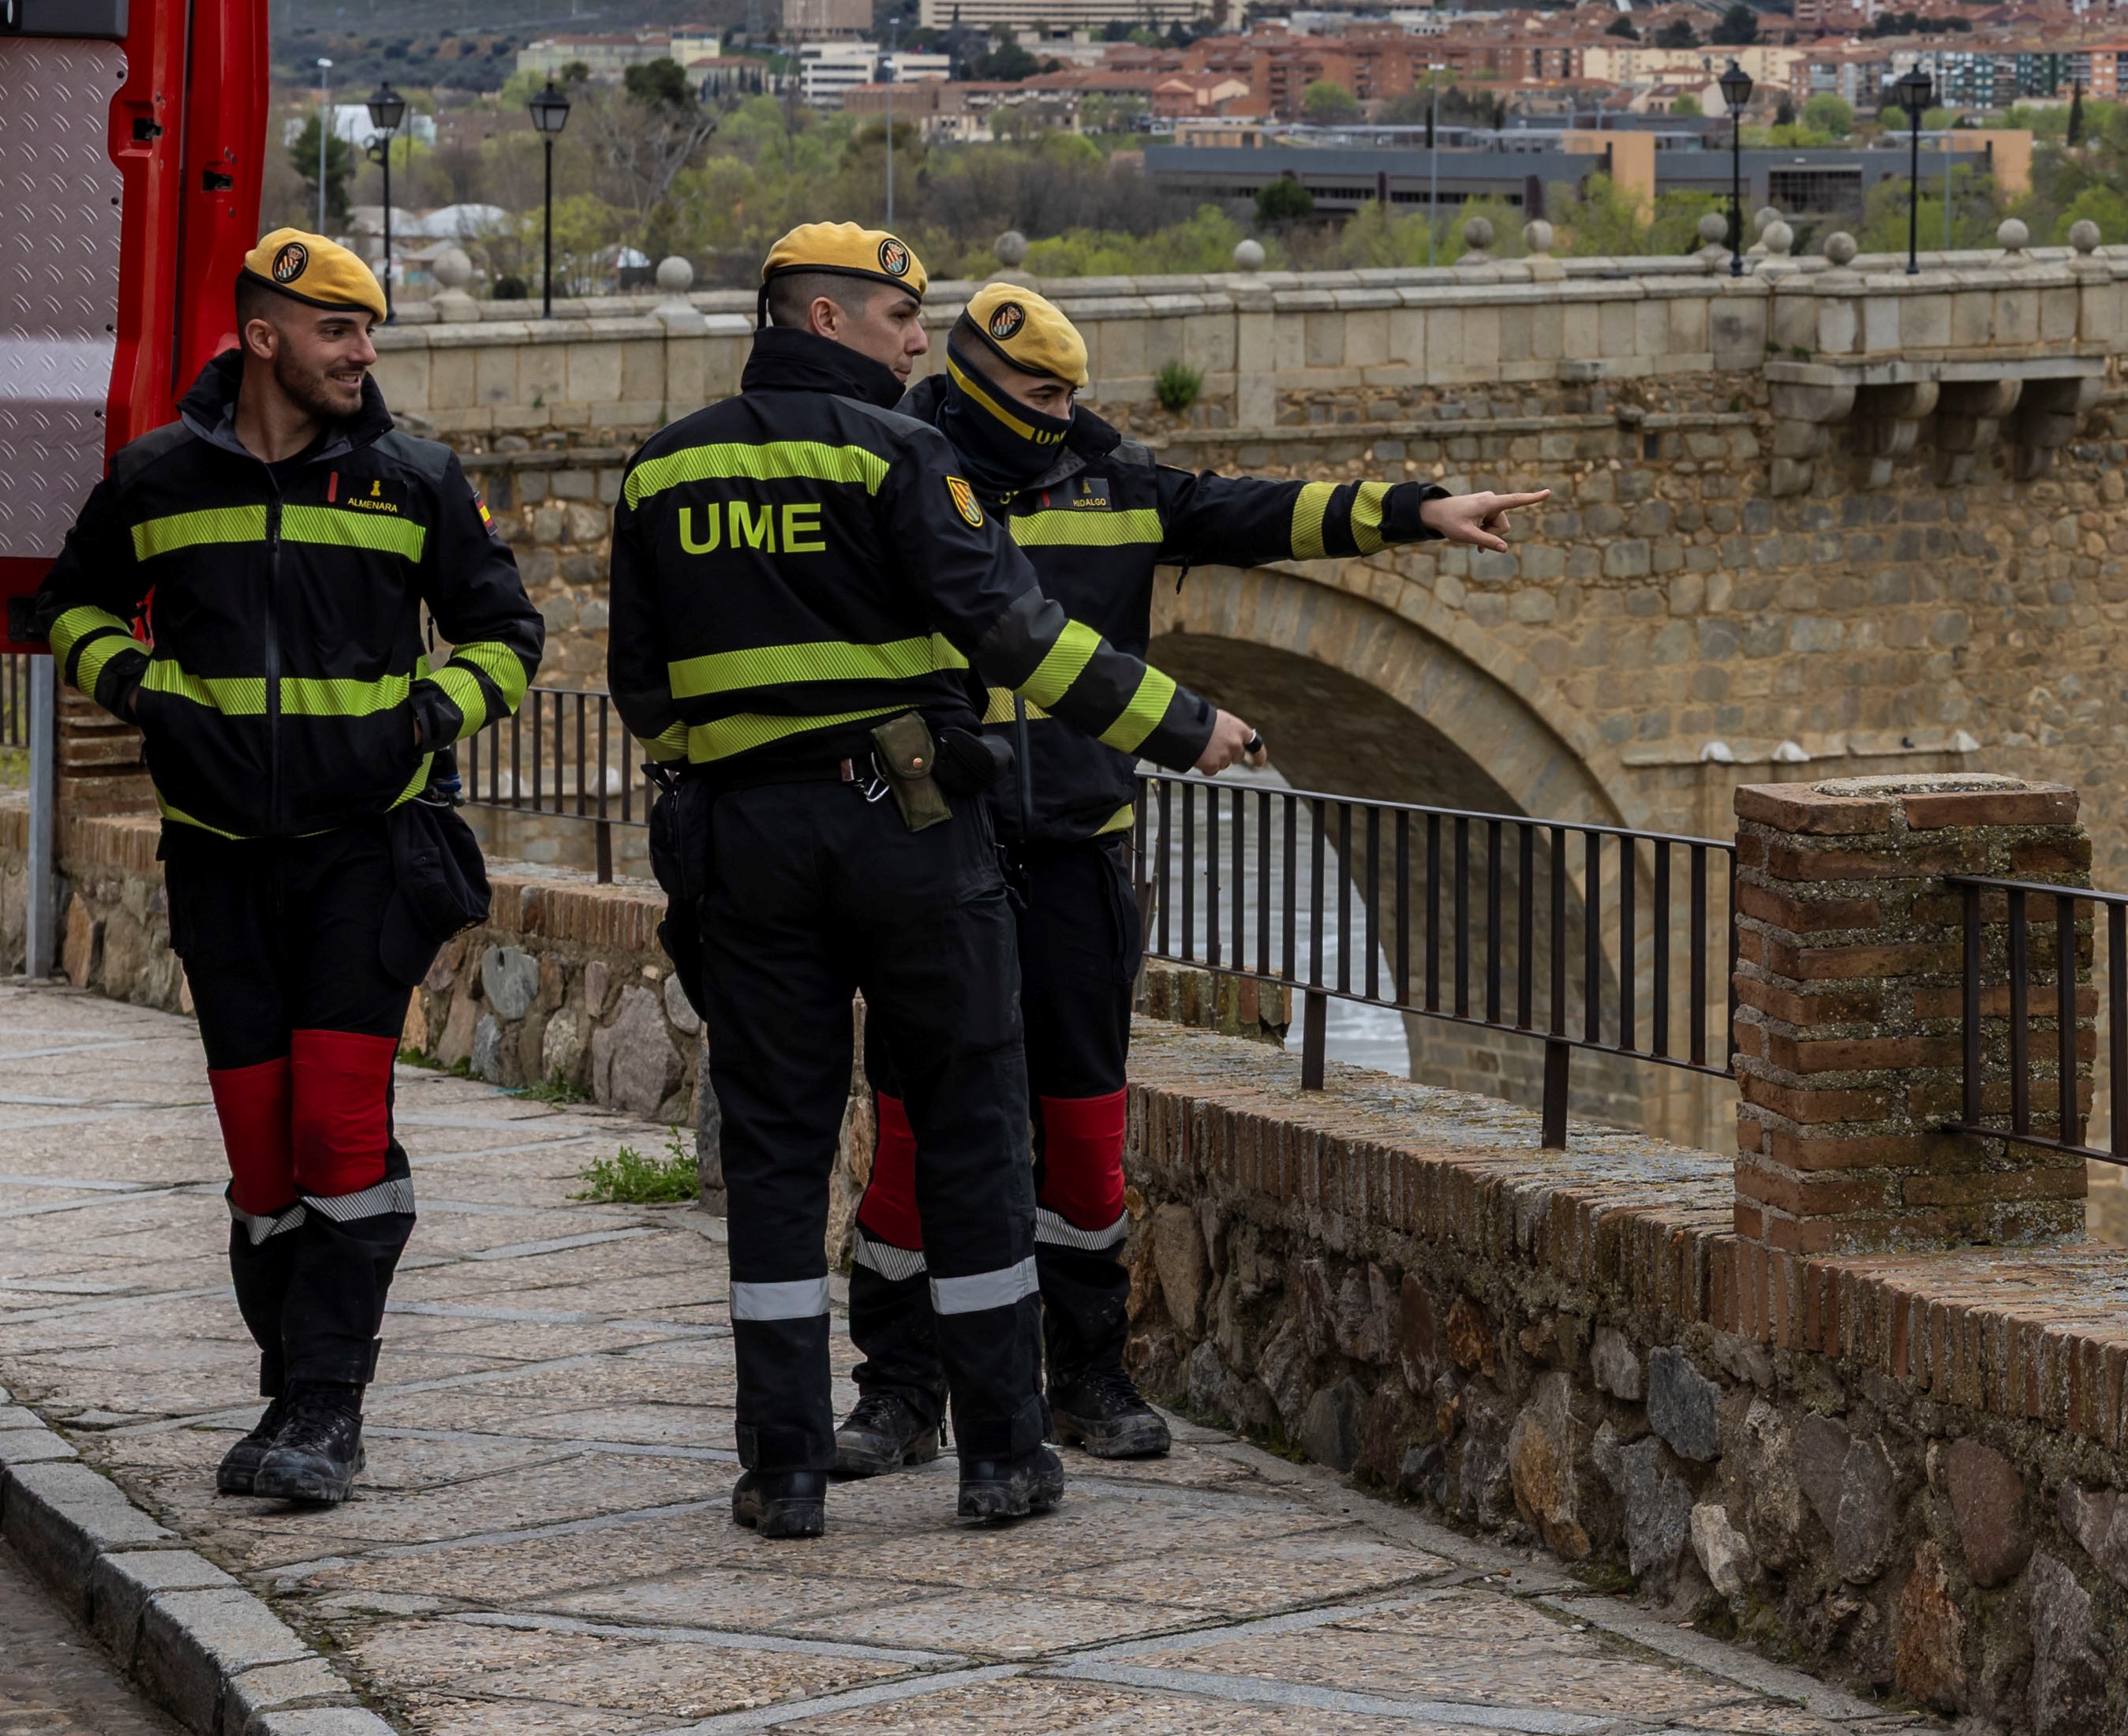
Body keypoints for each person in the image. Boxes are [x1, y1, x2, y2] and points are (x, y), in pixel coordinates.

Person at [608, 226, 1258, 1542]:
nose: (920, 344)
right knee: (969, 1133)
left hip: (743, 849)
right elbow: (1016, 628)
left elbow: (644, 689)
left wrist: (734, 774)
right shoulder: (904, 456)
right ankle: (1003, 1457)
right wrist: (1184, 727)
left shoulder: (666, 467)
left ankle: (783, 1470)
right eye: (904, 319)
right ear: (830, 316)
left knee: (783, 1154)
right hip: (905, 831)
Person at [828, 283, 1545, 1473]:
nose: (1062, 416)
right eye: (1040, 396)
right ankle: (899, 1390)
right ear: (970, 381)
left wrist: (1418, 510)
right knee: (912, 1132)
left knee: (1084, 1132)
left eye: (1071, 397)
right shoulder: (901, 479)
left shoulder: (1115, 484)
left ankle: (1091, 1375)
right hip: (937, 848)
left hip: (1078, 850)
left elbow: (1257, 513)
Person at [44, 231, 540, 1506]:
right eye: (339, 331)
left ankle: (331, 1406)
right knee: (262, 1157)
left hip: (366, 852)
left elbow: (508, 634)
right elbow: (70, 607)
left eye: (368, 332)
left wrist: (427, 719)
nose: (363, 355)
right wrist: (146, 691)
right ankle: (288, 1394)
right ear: (264, 337)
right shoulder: (155, 477)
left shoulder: (413, 477)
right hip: (217, 861)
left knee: (335, 1123)